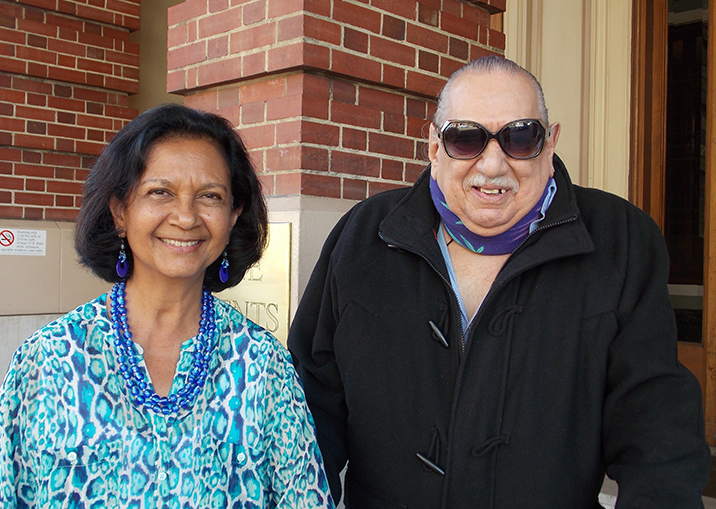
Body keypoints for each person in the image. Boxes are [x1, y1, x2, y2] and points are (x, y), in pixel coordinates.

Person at [288, 56, 711, 508]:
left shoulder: (620, 240)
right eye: (465, 139)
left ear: (550, 144)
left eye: (520, 137)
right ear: (434, 145)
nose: (492, 165)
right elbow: (309, 408)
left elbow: (656, 425)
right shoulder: (364, 235)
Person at [0, 104, 334, 508]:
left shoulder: (263, 366)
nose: (185, 216)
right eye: (160, 192)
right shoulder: (47, 360)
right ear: (120, 211)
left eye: (209, 196)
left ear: (234, 215)